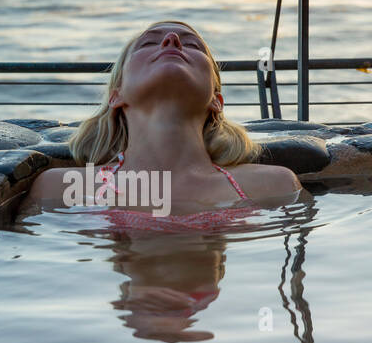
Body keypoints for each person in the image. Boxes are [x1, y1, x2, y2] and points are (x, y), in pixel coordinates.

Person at [23, 19, 301, 223]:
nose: (171, 40)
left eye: (192, 45)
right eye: (148, 43)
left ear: (217, 100)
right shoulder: (61, 188)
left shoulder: (275, 185)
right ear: (115, 96)